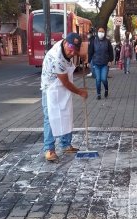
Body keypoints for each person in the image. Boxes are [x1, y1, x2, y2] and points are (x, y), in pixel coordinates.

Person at [40, 32, 88, 161]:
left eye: (75, 51)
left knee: (66, 113)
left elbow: (75, 50)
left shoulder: (66, 46)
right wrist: (80, 92)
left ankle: (66, 144)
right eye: (71, 50)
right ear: (66, 43)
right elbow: (66, 82)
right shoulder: (58, 58)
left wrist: (81, 55)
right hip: (50, 88)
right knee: (51, 117)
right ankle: (49, 149)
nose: (72, 54)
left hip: (60, 85)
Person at [88, 27, 114, 100]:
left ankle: (106, 89)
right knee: (98, 79)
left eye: (102, 31)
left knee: (104, 79)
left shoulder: (107, 42)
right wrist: (89, 61)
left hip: (104, 64)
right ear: (97, 32)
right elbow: (90, 52)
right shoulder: (94, 41)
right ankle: (98, 94)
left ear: (104, 33)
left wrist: (110, 60)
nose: (101, 33)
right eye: (99, 31)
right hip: (96, 63)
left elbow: (111, 52)